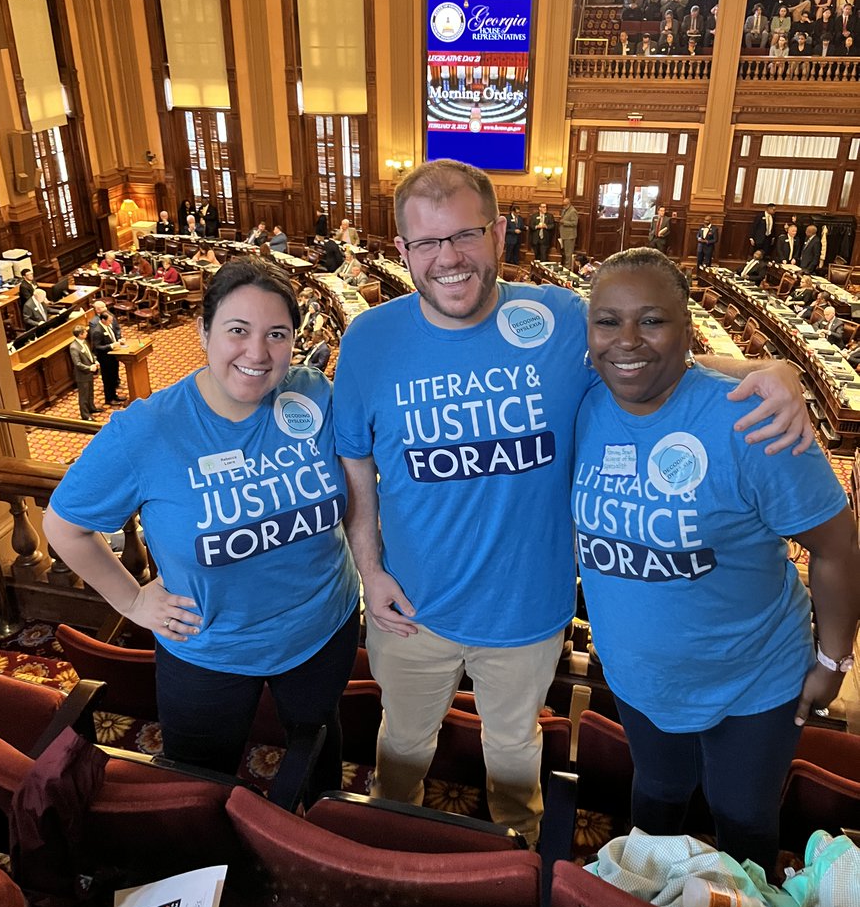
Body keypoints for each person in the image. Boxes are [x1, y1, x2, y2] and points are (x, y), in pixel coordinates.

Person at [333, 158, 812, 846]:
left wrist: (770, 369)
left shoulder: (556, 318)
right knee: (401, 747)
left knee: (514, 756)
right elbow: (355, 460)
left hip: (527, 609)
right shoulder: (370, 340)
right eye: (429, 243)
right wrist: (370, 572)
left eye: (465, 235)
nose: (450, 258)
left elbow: (647, 354)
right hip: (409, 606)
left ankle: (519, 863)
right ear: (402, 252)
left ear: (499, 233)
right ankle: (387, 846)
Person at [573, 248, 860, 874]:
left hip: (754, 680)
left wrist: (834, 659)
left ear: (685, 326)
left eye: (652, 321)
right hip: (638, 677)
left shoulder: (753, 421)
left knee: (744, 818)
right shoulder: (579, 400)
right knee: (656, 797)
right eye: (608, 321)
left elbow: (836, 547)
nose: (627, 341)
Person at [43, 259, 361, 796]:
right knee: (199, 785)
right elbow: (63, 526)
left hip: (322, 629)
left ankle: (314, 858)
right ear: (203, 331)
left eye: (276, 335)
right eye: (238, 330)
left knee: (319, 758)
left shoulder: (313, 395)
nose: (257, 353)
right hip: (209, 648)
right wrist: (131, 601)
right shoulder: (147, 430)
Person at [90, 302, 125, 405]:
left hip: (112, 356)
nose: (111, 322)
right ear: (103, 320)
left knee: (113, 376)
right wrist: (111, 346)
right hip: (105, 359)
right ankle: (109, 399)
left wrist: (118, 341)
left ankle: (114, 396)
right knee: (108, 379)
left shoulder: (108, 326)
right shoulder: (97, 331)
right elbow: (97, 347)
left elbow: (113, 335)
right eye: (109, 321)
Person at [69, 323, 101, 420]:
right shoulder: (74, 347)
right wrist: (89, 368)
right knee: (84, 396)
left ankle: (91, 408)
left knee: (90, 392)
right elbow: (77, 363)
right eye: (85, 332)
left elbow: (90, 354)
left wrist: (95, 360)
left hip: (89, 373)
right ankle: (85, 415)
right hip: (82, 375)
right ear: (80, 335)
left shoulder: (84, 342)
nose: (87, 333)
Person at [558, 199, 579, 268]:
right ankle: (566, 266)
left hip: (570, 236)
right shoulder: (564, 210)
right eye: (563, 205)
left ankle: (568, 268)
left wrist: (564, 222)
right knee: (565, 252)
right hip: (564, 235)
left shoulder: (573, 211)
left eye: (565, 205)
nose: (563, 206)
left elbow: (574, 223)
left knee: (568, 253)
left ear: (569, 204)